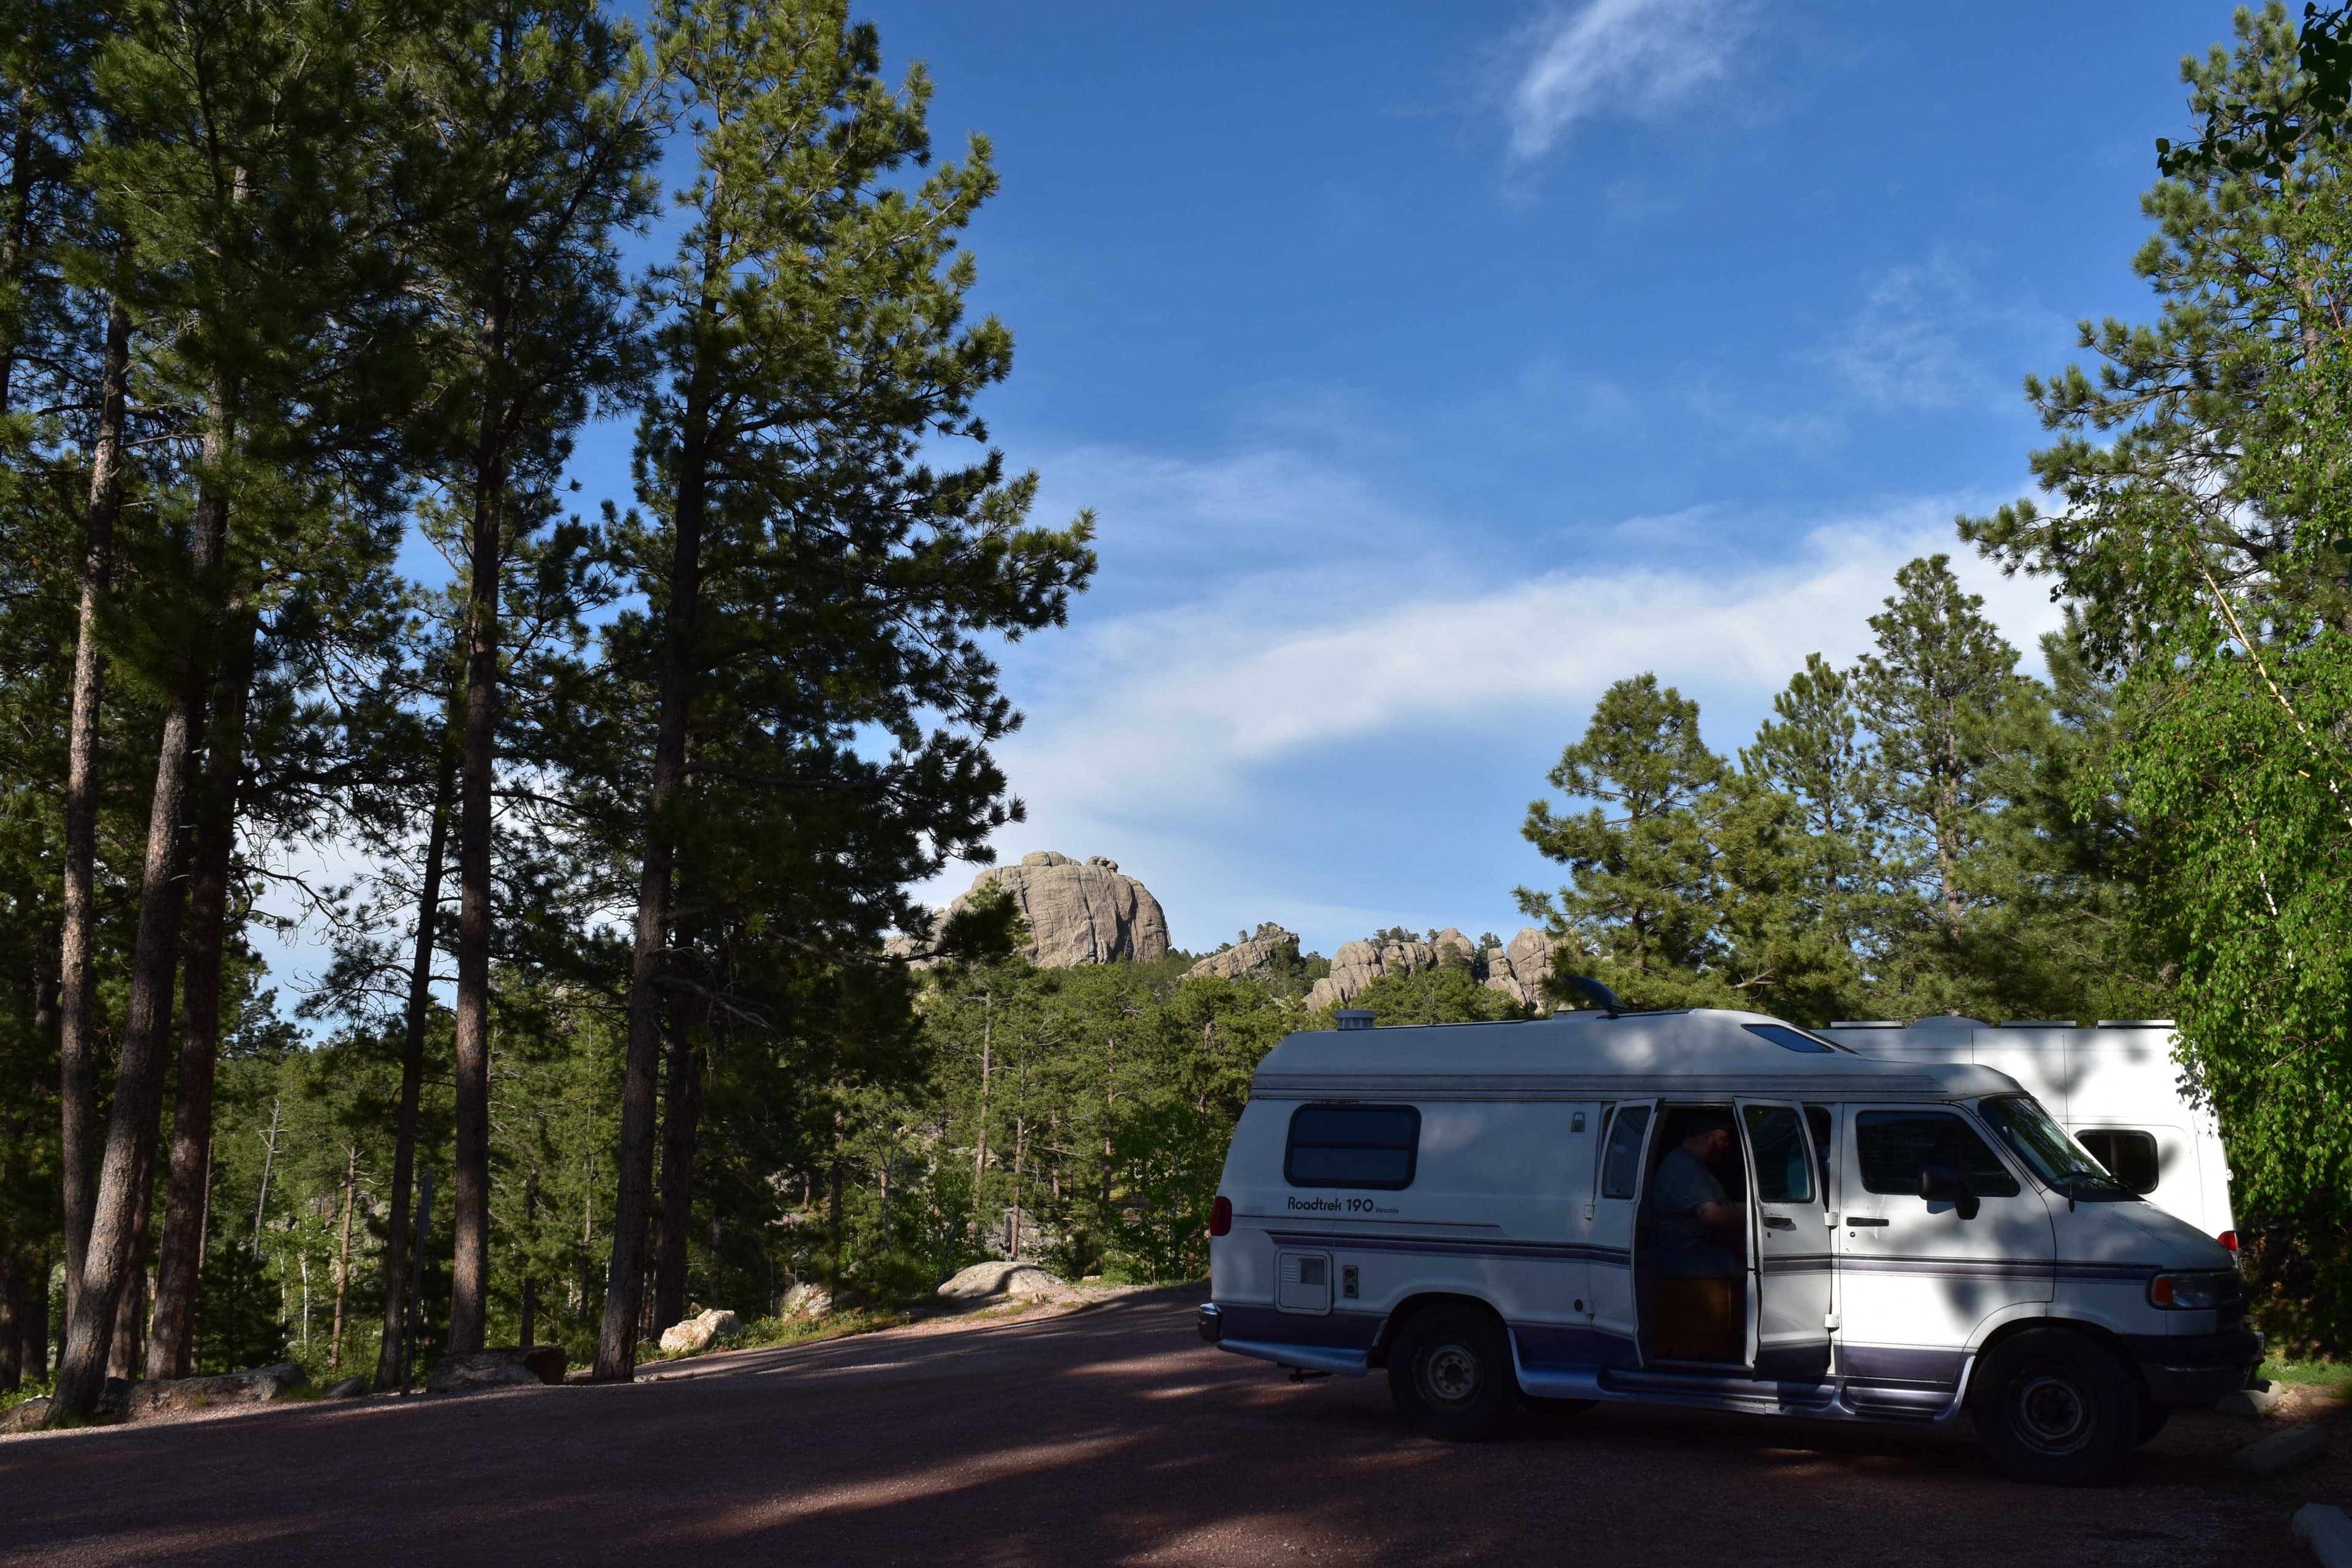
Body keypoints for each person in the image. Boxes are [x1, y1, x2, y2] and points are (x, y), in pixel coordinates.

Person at [1651, 1115, 1744, 1280]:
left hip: (1694, 1250)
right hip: (1687, 1254)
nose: (1728, 1145)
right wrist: (1756, 1216)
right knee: (1746, 1269)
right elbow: (1714, 1216)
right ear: (1709, 1139)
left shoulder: (1688, 1163)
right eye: (1725, 1139)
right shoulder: (1684, 1167)